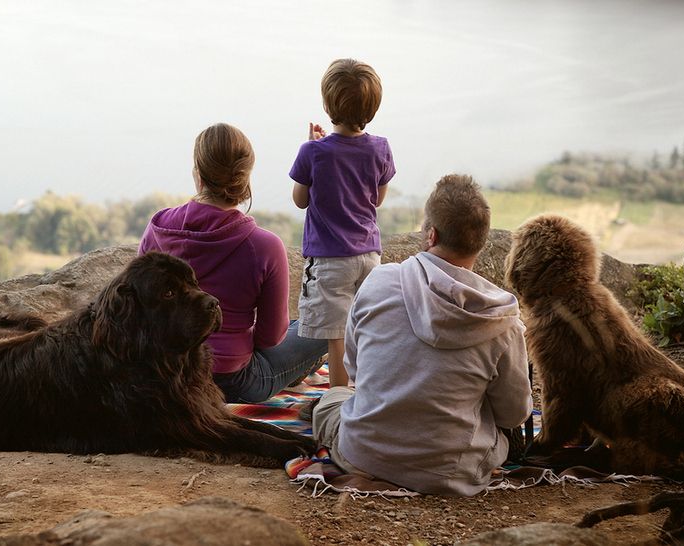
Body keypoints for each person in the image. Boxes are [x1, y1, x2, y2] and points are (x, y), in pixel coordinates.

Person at [310, 174, 533, 496]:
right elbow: (514, 414)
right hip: (454, 473)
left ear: (431, 234)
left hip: (363, 457)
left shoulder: (379, 281)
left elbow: (357, 371)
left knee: (333, 398)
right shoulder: (503, 321)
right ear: (481, 243)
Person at [139, 123, 327, 404]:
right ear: (245, 178)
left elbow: (139, 311)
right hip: (235, 382)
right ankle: (299, 369)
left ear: (198, 174)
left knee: (300, 327)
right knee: (325, 326)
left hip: (166, 376)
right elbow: (269, 339)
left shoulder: (158, 227)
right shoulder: (264, 245)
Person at [289, 58, 396, 388]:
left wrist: (315, 147)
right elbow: (376, 199)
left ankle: (338, 403)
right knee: (364, 330)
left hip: (331, 260)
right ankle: (368, 394)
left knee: (336, 337)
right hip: (369, 256)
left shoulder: (313, 152)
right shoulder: (381, 148)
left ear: (327, 103)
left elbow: (300, 199)